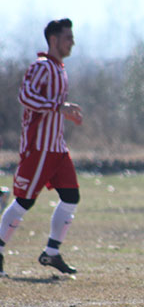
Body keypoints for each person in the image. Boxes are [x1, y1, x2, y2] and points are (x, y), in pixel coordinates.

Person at [0, 18, 82, 277]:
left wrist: (66, 111)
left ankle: (52, 253)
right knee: (24, 201)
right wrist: (59, 108)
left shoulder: (60, 68)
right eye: (68, 37)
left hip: (57, 148)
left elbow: (51, 104)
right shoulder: (42, 66)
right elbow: (25, 96)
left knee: (71, 198)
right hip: (40, 148)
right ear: (54, 40)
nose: (72, 42)